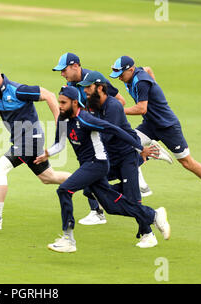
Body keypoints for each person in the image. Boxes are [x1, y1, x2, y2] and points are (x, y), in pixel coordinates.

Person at [35, 86, 170, 252]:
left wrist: (139, 148)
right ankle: (153, 215)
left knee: (64, 190)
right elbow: (60, 143)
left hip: (97, 164)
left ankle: (68, 239)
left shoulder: (85, 119)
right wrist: (47, 153)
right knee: (111, 206)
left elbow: (114, 129)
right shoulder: (63, 120)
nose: (59, 105)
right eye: (59, 102)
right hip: (88, 165)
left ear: (75, 103)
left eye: (63, 102)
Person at [52, 53, 171, 224]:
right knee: (92, 184)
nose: (62, 74)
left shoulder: (95, 81)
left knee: (101, 183)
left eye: (64, 70)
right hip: (94, 136)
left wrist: (103, 118)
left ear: (75, 66)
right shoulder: (70, 85)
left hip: (111, 143)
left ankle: (140, 162)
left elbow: (118, 102)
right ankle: (101, 209)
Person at [109, 55, 201, 210]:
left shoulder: (141, 82)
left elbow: (141, 108)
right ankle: (142, 186)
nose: (119, 78)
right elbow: (148, 68)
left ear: (131, 70)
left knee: (186, 162)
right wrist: (156, 85)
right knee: (128, 144)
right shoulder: (136, 74)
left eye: (121, 75)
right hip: (150, 124)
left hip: (167, 126)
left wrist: (117, 110)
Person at [0, 63, 71, 230]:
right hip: (21, 141)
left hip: (30, 139)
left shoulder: (18, 90)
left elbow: (49, 95)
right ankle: (91, 183)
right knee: (48, 178)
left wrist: (58, 120)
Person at [76, 71, 160, 225]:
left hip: (126, 156)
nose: (85, 91)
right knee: (89, 189)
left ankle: (148, 234)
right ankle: (133, 184)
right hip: (111, 158)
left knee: (133, 201)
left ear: (100, 88)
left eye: (88, 87)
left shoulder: (113, 106)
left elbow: (107, 135)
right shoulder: (92, 105)